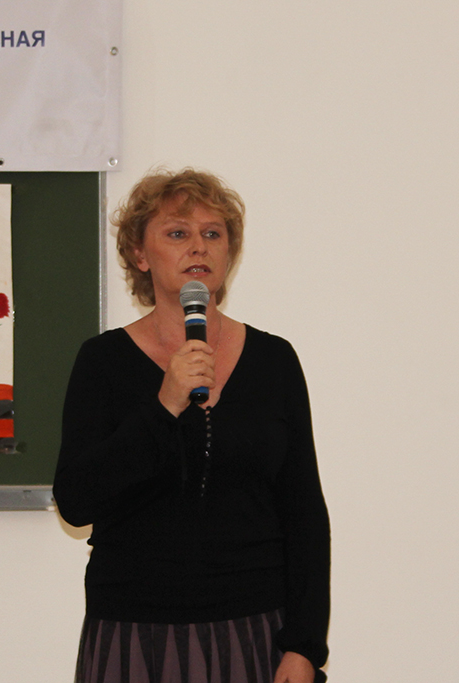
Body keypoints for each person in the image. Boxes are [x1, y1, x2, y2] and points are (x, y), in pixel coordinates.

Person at [53, 169, 331, 683]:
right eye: (178, 232)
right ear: (140, 255)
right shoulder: (103, 362)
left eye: (212, 233)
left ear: (229, 253)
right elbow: (76, 500)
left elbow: (304, 512)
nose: (198, 246)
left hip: (253, 631)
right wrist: (164, 405)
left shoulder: (273, 360)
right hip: (134, 635)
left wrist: (305, 645)